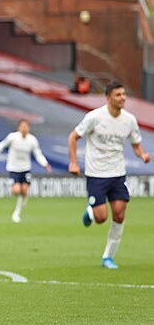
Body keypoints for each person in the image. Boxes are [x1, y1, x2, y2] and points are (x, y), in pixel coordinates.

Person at [68, 82, 150, 269]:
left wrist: (142, 154)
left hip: (117, 173)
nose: (123, 98)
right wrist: (73, 162)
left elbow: (136, 144)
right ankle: (91, 210)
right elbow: (73, 137)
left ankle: (108, 257)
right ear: (108, 98)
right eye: (118, 95)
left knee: (119, 214)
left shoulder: (129, 120)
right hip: (96, 174)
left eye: (124, 94)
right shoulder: (95, 117)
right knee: (101, 217)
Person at [0, 120, 52, 223]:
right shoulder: (13, 137)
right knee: (16, 191)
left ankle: (17, 213)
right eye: (22, 126)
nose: (24, 128)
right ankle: (20, 199)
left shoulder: (32, 140)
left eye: (26, 126)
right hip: (13, 168)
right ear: (19, 128)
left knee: (24, 190)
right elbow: (1, 145)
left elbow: (38, 154)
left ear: (28, 128)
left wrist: (45, 164)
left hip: (25, 168)